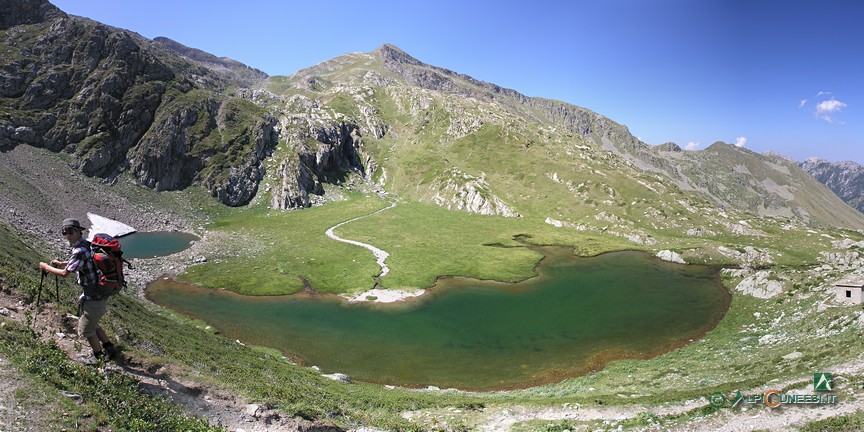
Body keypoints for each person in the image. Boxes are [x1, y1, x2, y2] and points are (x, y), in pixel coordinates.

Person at [39, 218, 116, 364]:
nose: (67, 236)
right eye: (64, 233)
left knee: (86, 329)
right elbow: (82, 262)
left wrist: (45, 267)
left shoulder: (79, 250)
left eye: (69, 232)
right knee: (91, 322)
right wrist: (62, 263)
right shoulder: (86, 245)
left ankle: (97, 356)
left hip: (93, 295)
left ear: (77, 231)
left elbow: (64, 274)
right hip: (99, 292)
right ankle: (109, 347)